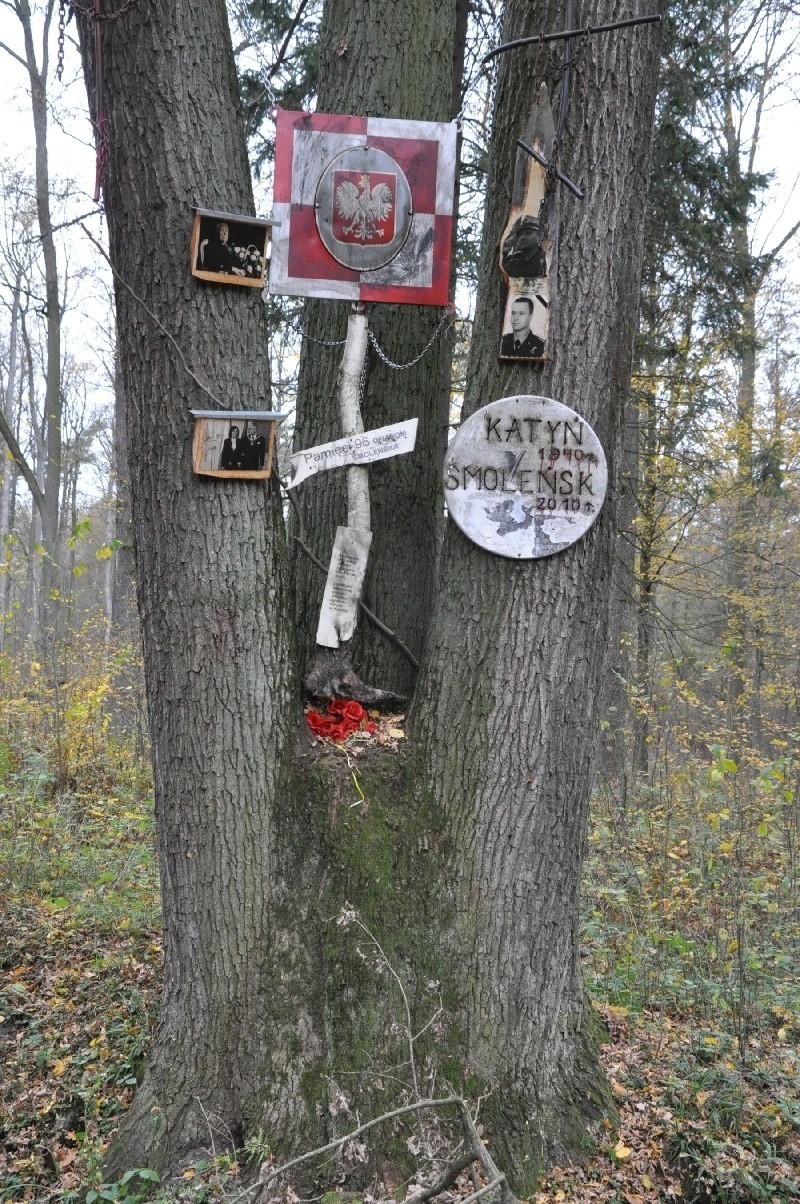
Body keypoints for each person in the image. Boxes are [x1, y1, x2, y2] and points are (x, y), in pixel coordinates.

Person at [501, 214, 547, 279]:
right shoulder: (516, 259)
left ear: (539, 236)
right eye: (520, 234)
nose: (522, 238)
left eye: (528, 233)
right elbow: (506, 272)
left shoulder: (545, 260)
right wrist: (505, 254)